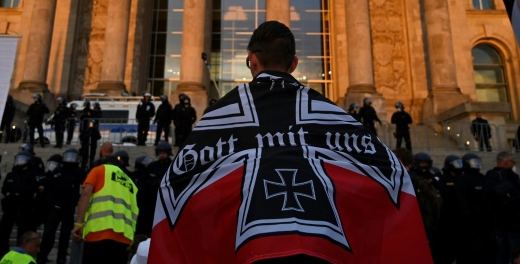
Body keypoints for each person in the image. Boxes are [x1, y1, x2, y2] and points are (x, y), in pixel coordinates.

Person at [149, 21, 431, 263]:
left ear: (252, 60)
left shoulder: (220, 114)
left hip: (248, 250)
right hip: (321, 250)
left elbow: (175, 188)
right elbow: (391, 176)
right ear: (294, 64)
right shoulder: (331, 113)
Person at [72, 150, 139, 264]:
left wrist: (79, 224)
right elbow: (134, 211)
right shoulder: (131, 183)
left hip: (99, 233)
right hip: (124, 239)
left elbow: (86, 194)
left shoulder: (100, 170)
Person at [484, 151, 520, 264]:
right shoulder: (511, 175)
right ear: (506, 162)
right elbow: (518, 198)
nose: (513, 164)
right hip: (513, 221)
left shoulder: (489, 175)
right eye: (513, 162)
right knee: (518, 253)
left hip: (498, 222)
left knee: (501, 254)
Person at [38, 149, 85, 264]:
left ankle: (61, 257)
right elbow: (48, 183)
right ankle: (42, 255)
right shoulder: (58, 170)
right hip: (55, 207)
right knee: (49, 233)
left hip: (68, 208)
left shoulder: (79, 172)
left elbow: (85, 185)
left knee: (65, 234)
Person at [0, 150, 44, 260]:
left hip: (25, 207)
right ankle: (1, 256)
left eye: (23, 159)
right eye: (19, 159)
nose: (20, 161)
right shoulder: (12, 174)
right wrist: (8, 193)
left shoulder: (32, 174)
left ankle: (21, 257)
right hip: (10, 206)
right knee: (3, 231)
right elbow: (5, 187)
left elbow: (31, 189)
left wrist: (18, 193)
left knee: (23, 234)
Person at [456, 152, 495, 264]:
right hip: (470, 225)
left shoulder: (483, 178)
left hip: (485, 223)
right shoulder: (462, 180)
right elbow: (462, 202)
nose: (476, 164)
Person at [79, 100, 101, 169]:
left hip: (92, 133)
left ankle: (91, 165)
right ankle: (83, 166)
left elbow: (96, 117)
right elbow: (81, 118)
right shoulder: (83, 111)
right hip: (85, 134)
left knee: (92, 151)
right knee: (84, 152)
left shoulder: (92, 112)